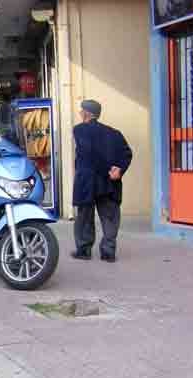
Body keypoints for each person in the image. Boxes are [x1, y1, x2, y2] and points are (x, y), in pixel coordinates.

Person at [71, 99, 133, 263]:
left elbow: (88, 153)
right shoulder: (115, 133)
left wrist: (107, 170)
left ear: (86, 113)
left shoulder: (80, 130)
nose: (79, 113)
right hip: (109, 183)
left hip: (88, 182)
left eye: (81, 111)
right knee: (110, 217)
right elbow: (127, 153)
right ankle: (108, 252)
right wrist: (118, 169)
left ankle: (84, 250)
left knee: (84, 218)